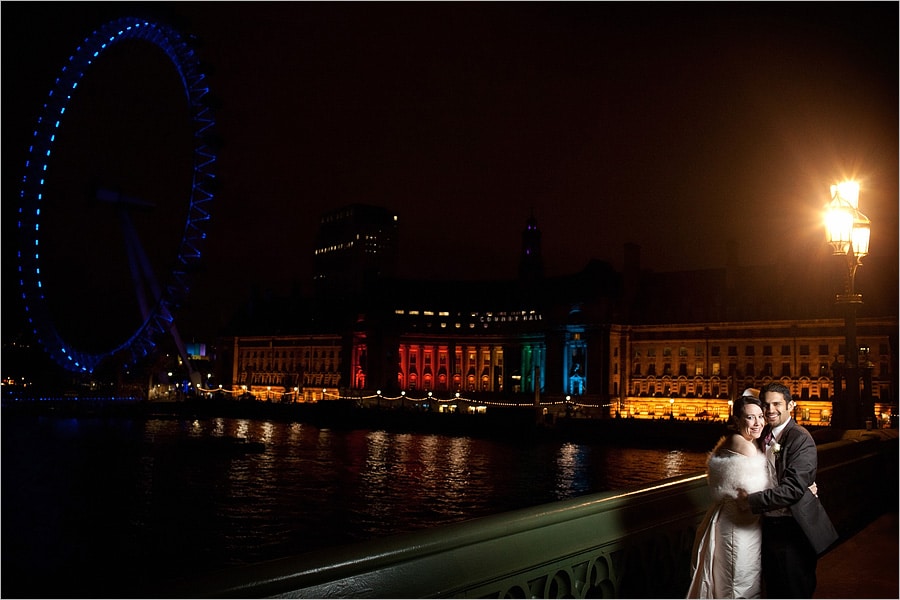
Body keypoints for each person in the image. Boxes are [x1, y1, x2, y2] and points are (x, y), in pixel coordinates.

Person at [738, 382, 839, 598]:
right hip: (769, 527)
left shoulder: (800, 438)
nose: (770, 409)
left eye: (777, 404)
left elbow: (792, 489)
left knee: (794, 589)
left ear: (791, 405)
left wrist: (750, 501)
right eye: (766, 405)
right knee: (774, 589)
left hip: (794, 529)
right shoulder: (762, 436)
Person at [687, 391, 770, 598]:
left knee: (738, 577)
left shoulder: (740, 441)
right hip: (738, 524)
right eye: (750, 417)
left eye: (761, 416)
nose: (758, 422)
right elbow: (759, 489)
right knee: (737, 580)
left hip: (739, 521)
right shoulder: (743, 445)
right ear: (736, 420)